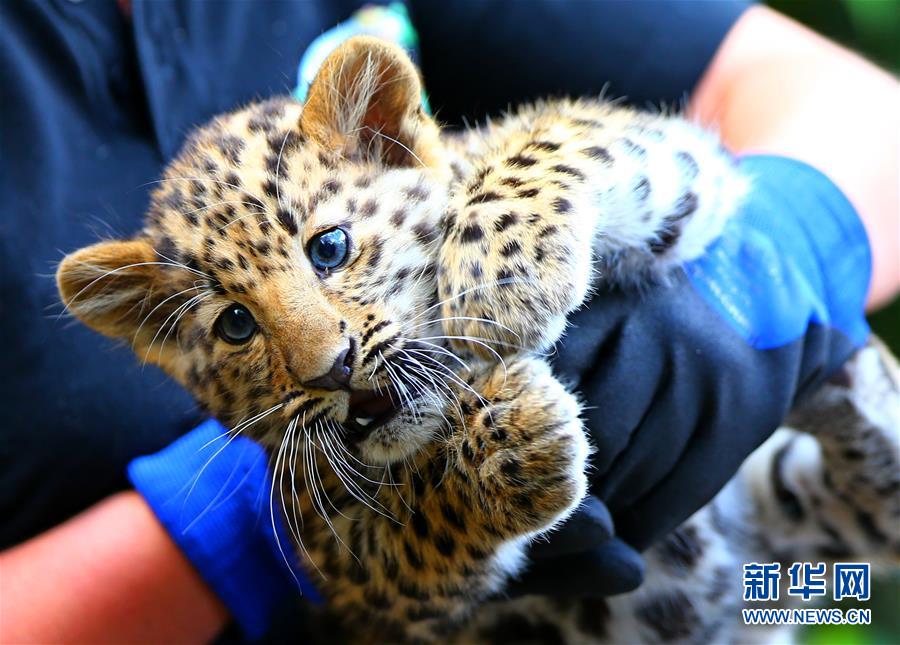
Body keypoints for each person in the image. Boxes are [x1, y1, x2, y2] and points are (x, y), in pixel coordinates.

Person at [1, 1, 897, 642]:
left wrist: (780, 248)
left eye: (328, 250)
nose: (319, 351)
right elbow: (390, 596)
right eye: (238, 324)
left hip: (776, 581)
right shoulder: (314, 486)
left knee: (849, 584)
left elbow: (849, 117)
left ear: (392, 142)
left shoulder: (458, 181)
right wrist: (435, 511)